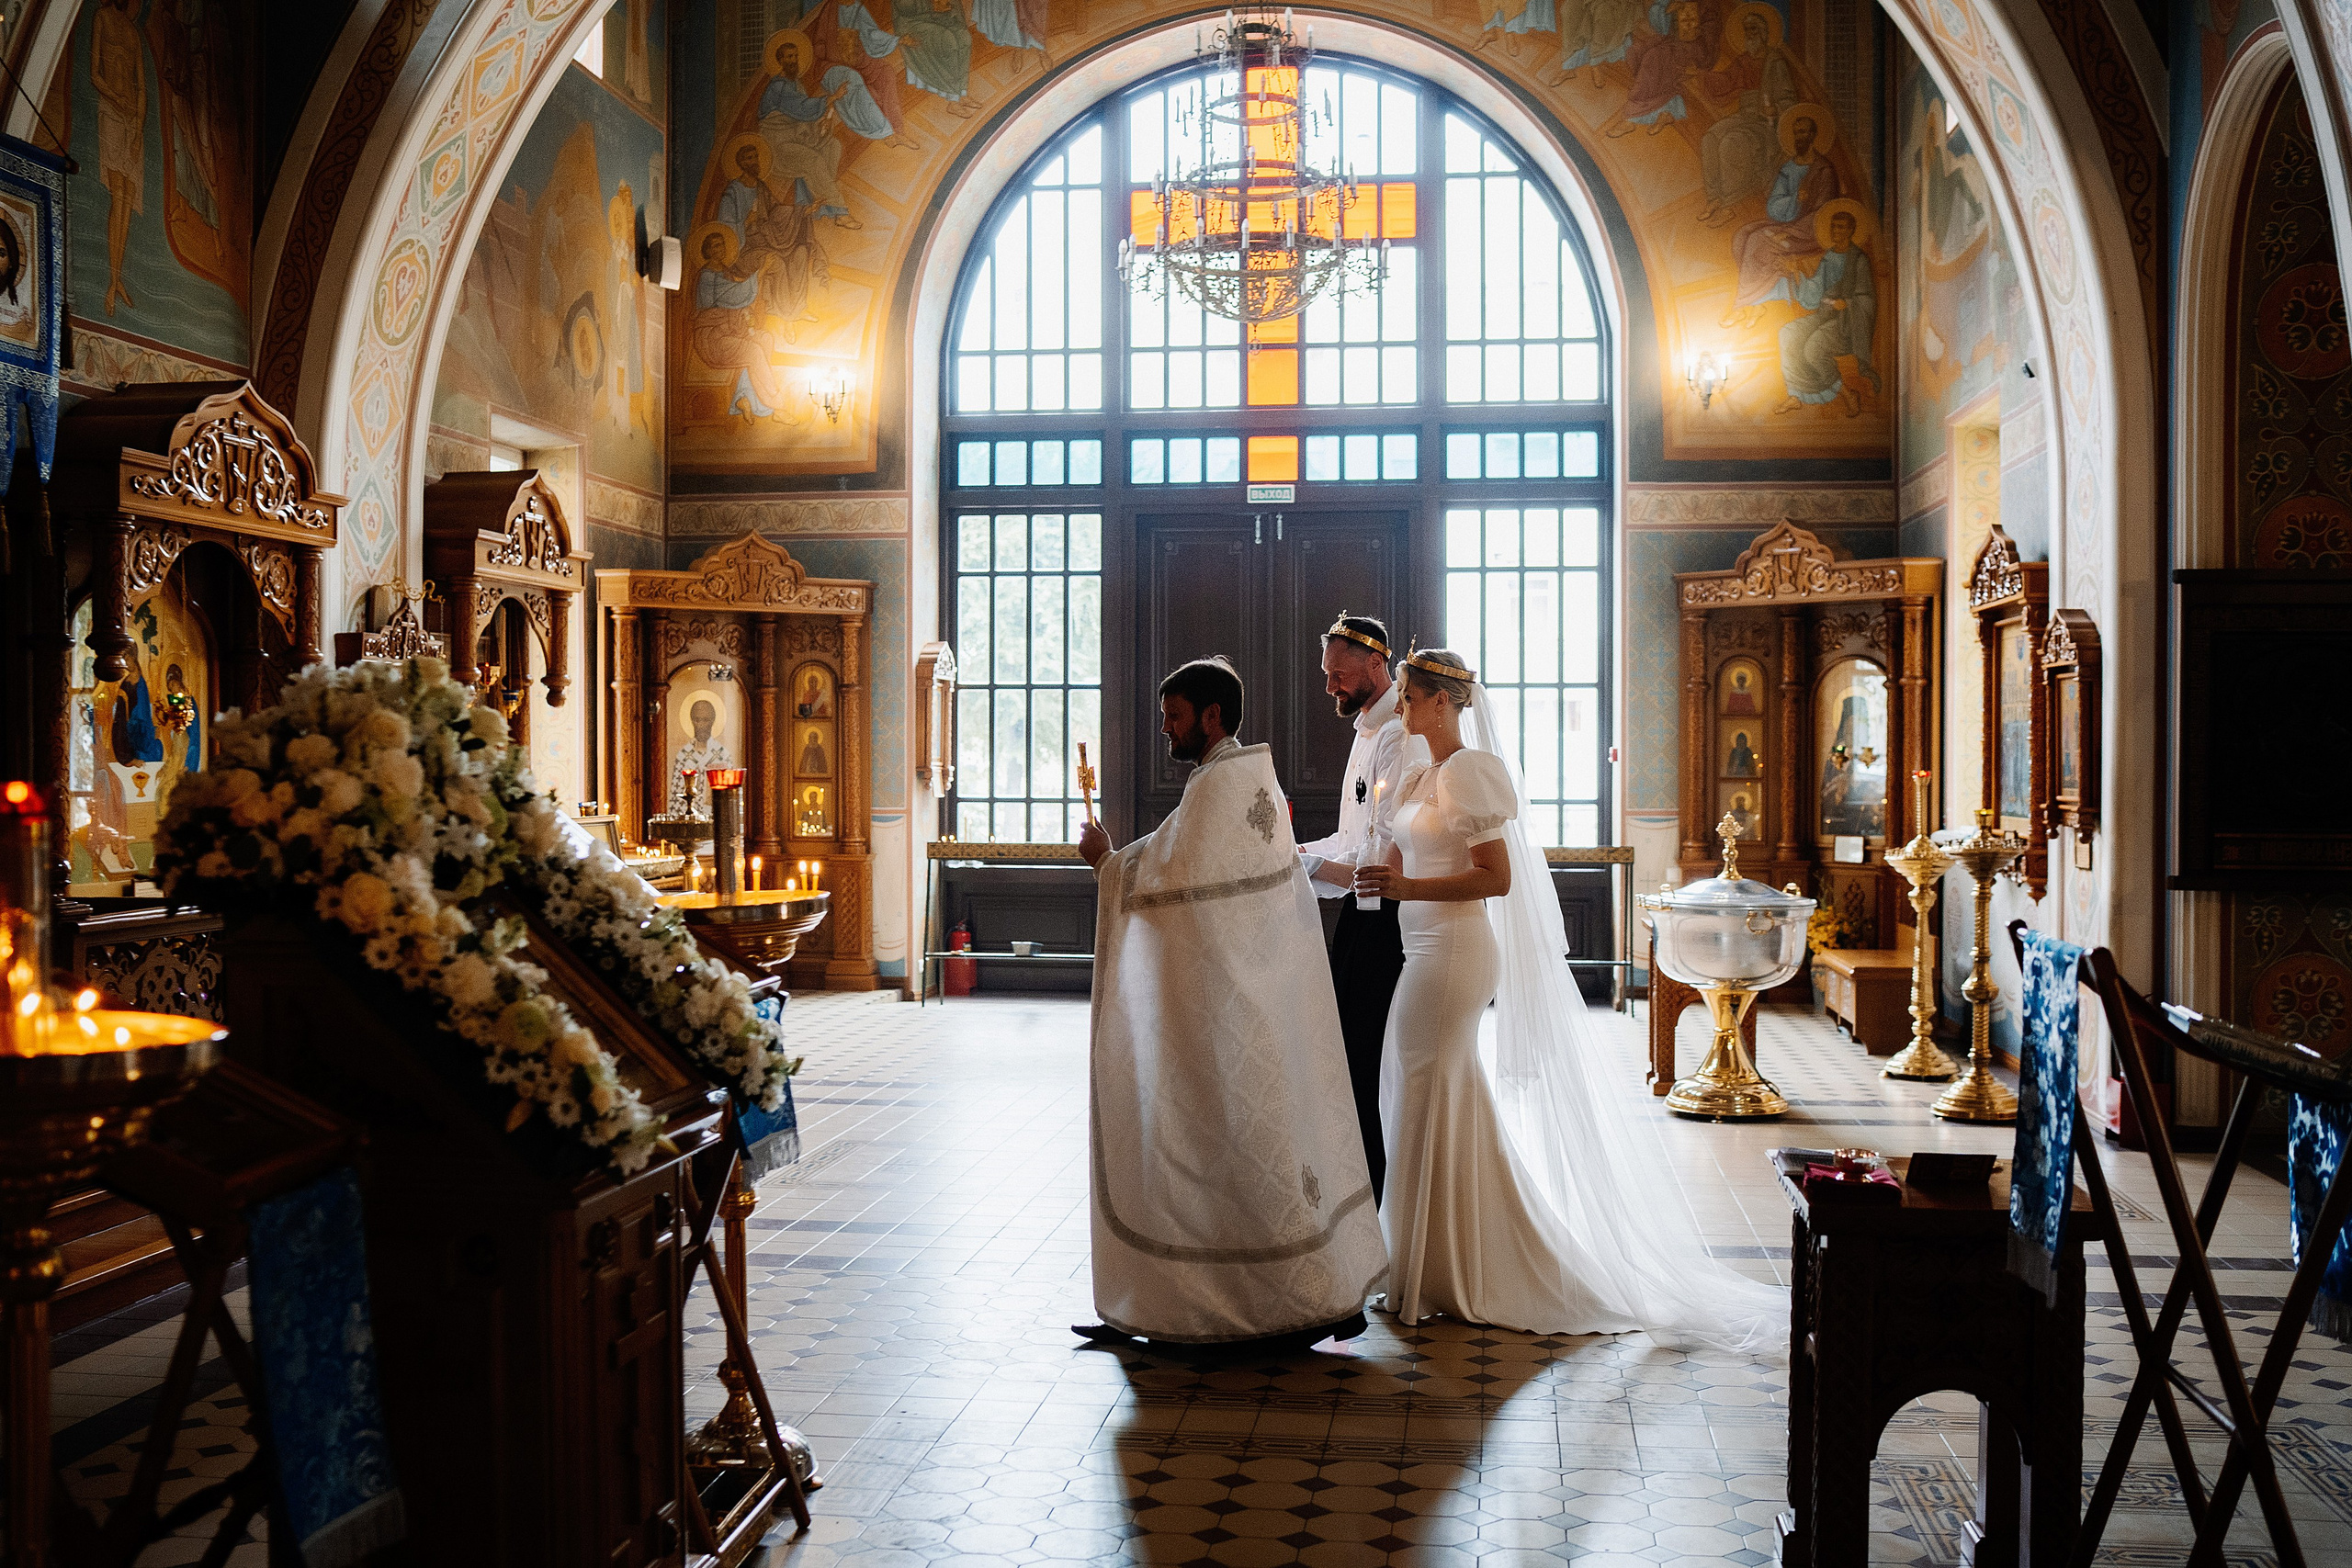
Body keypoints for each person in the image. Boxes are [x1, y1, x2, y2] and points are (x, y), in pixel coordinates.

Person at [1351, 648, 1782, 1346]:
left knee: (1429, 1087)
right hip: (1418, 950)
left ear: (1440, 702)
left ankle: (1445, 1266)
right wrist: (1366, 872)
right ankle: (1426, 1262)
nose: (1398, 706)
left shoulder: (1468, 772)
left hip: (1457, 954)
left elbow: (1495, 878)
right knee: (1417, 1090)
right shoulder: (1417, 771)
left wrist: (1409, 890)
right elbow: (1400, 858)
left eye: (1406, 695)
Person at [1074, 658, 1386, 1352]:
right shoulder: (1242, 779)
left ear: (1212, 716)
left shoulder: (1224, 787)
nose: (1165, 729)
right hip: (1243, 1005)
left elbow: (1167, 876)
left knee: (1239, 1154)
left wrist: (1103, 860)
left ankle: (1271, 1302)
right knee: (1239, 1153)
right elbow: (1181, 870)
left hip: (1230, 1013)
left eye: (1175, 717)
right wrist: (1124, 862)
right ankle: (1212, 1296)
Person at [1296, 615, 1422, 1205]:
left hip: (1386, 920)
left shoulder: (1399, 732)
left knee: (1362, 1059)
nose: (1331, 689)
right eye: (1327, 676)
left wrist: (1308, 867)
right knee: (1347, 1057)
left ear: (1376, 664)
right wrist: (1300, 854)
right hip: (1359, 913)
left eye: (1339, 675)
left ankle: (1371, 1195)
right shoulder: (1365, 729)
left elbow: (1380, 855)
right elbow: (1351, 839)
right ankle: (1359, 1189)